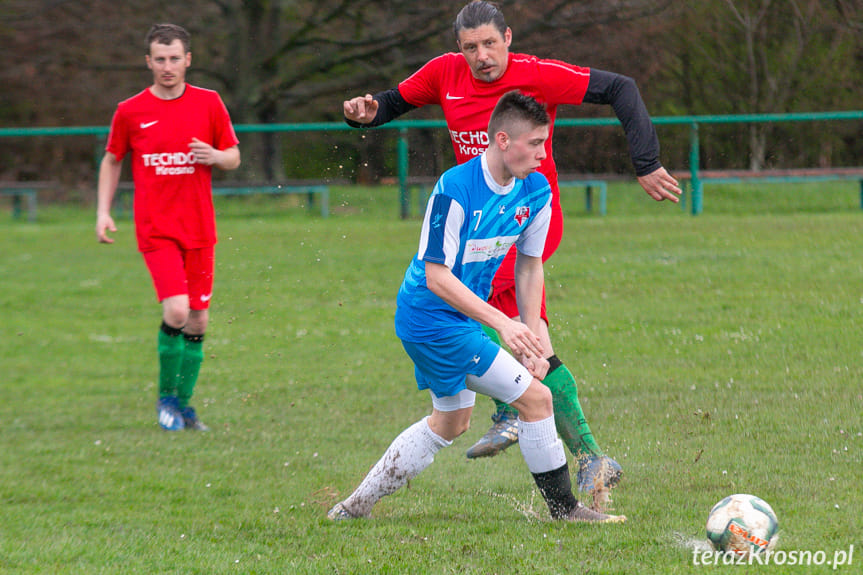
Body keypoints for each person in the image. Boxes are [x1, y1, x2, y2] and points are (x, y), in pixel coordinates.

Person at [343, 0, 681, 507]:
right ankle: (560, 438)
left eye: (490, 44)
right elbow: (391, 102)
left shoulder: (537, 76)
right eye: (470, 47)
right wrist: (365, 117)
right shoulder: (445, 73)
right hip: (477, 222)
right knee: (521, 337)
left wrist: (646, 161)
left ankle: (531, 421)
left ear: (508, 37)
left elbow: (620, 88)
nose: (481, 56)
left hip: (524, 218)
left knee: (515, 333)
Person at [329, 91, 625, 524]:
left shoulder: (535, 191)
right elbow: (437, 277)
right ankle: (566, 511)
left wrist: (535, 338)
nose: (544, 155)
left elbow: (528, 268)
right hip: (431, 319)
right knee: (538, 400)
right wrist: (504, 325)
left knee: (451, 423)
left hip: (457, 319)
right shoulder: (455, 189)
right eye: (536, 144)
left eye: (547, 143)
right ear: (503, 140)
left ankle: (353, 508)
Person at [95, 23, 241, 431]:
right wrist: (103, 211)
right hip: (156, 230)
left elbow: (233, 157)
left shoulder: (209, 103)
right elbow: (112, 159)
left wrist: (215, 154)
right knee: (176, 310)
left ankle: (184, 406)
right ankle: (165, 400)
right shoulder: (131, 111)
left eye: (174, 58)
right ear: (148, 62)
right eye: (159, 59)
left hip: (200, 229)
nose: (167, 66)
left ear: (188, 60)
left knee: (198, 321)